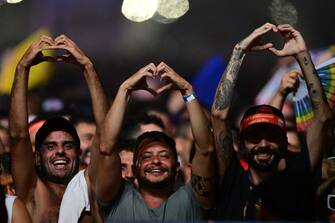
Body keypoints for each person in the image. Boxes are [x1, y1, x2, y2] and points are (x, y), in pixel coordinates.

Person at [211, 23, 332, 220]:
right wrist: (239, 52)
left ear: (285, 143)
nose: (264, 144)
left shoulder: (299, 175)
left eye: (272, 137)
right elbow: (218, 115)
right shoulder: (232, 180)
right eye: (254, 138)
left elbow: (322, 117)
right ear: (240, 146)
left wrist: (301, 54)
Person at [96, 62, 216, 222]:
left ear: (177, 166)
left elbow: (205, 149)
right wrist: (125, 89)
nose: (156, 161)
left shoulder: (192, 200)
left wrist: (187, 91)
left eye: (164, 155)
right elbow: (106, 148)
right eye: (146, 156)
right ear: (136, 166)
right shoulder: (117, 200)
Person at [9, 34, 108, 223]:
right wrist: (22, 68)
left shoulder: (90, 186)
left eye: (68, 146)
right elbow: (18, 136)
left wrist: (87, 67)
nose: (60, 151)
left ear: (79, 154)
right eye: (51, 146)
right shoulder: (32, 191)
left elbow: (106, 134)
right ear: (36, 157)